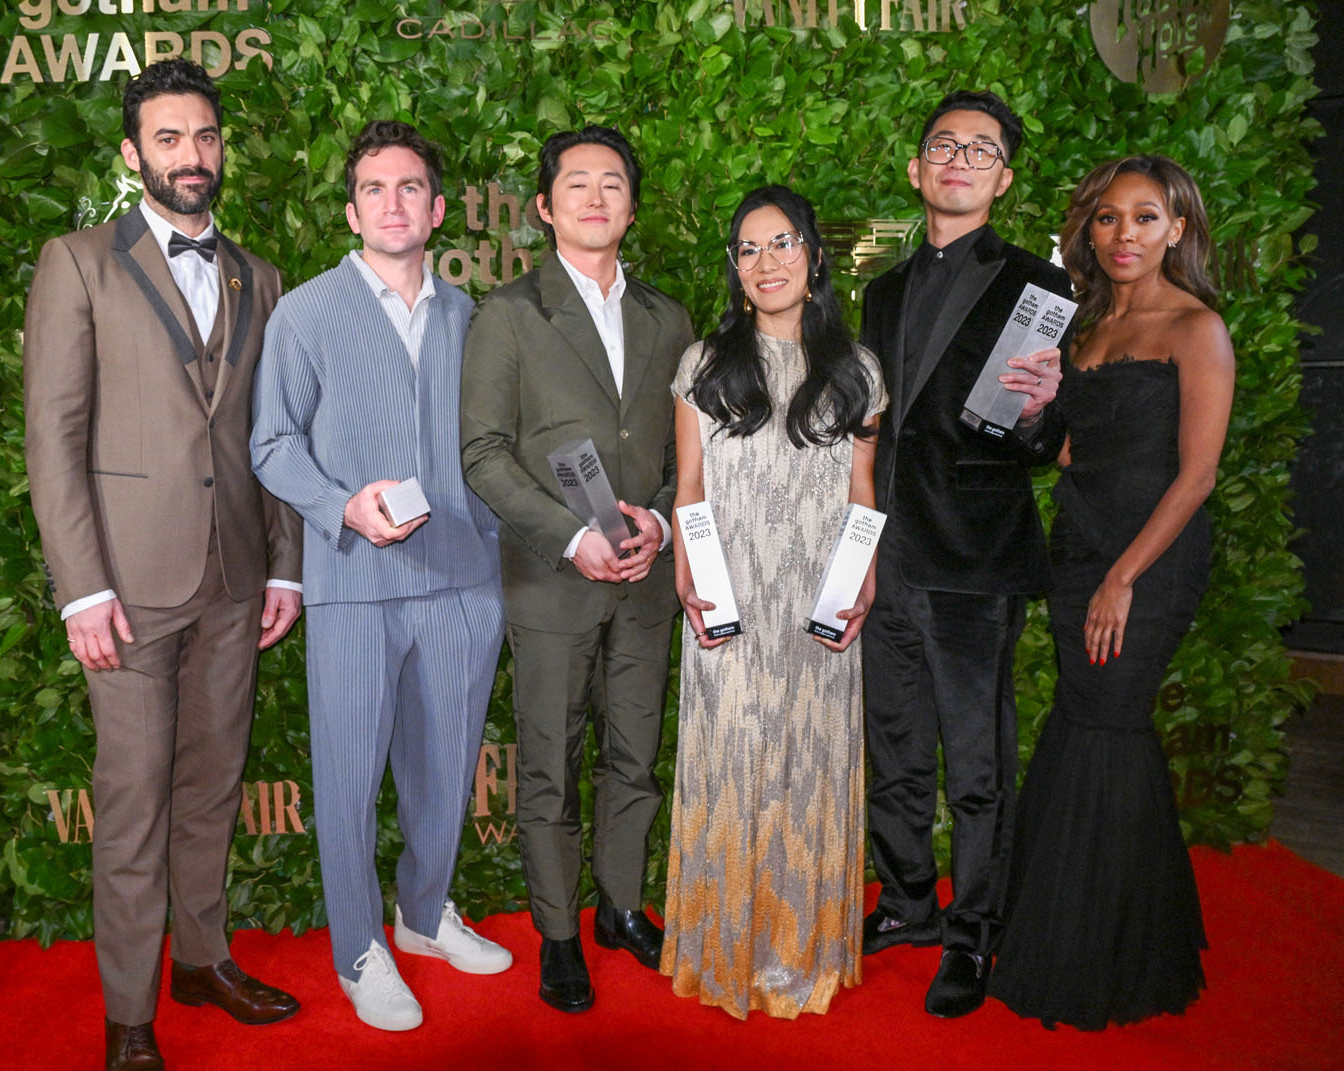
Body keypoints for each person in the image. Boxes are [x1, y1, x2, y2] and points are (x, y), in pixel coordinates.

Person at [22, 59, 304, 1071]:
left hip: (236, 579)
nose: (193, 155)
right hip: (129, 590)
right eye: (171, 138)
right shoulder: (79, 263)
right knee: (135, 800)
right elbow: (53, 437)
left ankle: (200, 960)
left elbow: (271, 434)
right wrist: (83, 590)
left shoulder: (258, 277)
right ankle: (130, 1014)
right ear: (132, 152)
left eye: (206, 136)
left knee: (212, 785)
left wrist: (286, 566)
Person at [250, 120, 511, 1033]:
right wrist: (340, 506)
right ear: (352, 210)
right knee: (350, 779)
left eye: (409, 188)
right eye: (373, 188)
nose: (392, 203)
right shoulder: (306, 313)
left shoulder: (472, 316)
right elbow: (271, 443)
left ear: (437, 211)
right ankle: (360, 947)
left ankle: (424, 914)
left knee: (447, 771)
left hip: (462, 582)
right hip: (355, 581)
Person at [990, 155, 1230, 1029]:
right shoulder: (1085, 329)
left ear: (1176, 229)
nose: (1125, 234)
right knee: (1089, 721)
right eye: (1107, 218)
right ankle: (1105, 929)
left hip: (1147, 563)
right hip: (1079, 550)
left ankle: (1103, 952)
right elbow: (1072, 452)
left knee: (1108, 721)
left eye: (1145, 217)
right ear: (1088, 232)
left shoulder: (1196, 327)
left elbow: (1198, 474)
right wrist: (1035, 410)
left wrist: (1125, 577)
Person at [460, 125, 694, 1013]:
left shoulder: (668, 319)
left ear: (632, 206)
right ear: (545, 206)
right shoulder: (509, 313)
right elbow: (483, 453)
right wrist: (570, 536)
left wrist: (660, 523)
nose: (596, 198)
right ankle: (559, 933)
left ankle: (621, 906)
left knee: (635, 754)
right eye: (577, 184)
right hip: (553, 580)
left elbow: (683, 453)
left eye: (613, 184)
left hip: (645, 579)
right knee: (551, 766)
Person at [859, 89, 1072, 1018]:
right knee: (895, 744)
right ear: (917, 168)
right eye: (943, 145)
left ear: (1003, 179)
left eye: (980, 150)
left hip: (976, 559)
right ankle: (908, 899)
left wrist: (1040, 412)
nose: (958, 160)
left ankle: (975, 927)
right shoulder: (881, 292)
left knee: (978, 763)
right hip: (885, 555)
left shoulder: (1039, 286)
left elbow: (1043, 440)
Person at [661, 185, 886, 1019]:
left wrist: (865, 574)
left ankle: (800, 950)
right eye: (749, 248)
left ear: (815, 255)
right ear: (735, 265)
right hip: (730, 597)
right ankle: (723, 944)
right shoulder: (703, 364)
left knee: (809, 765)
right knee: (729, 758)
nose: (767, 262)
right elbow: (689, 485)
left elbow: (862, 488)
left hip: (817, 598)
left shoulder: (858, 369)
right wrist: (687, 570)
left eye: (783, 242)